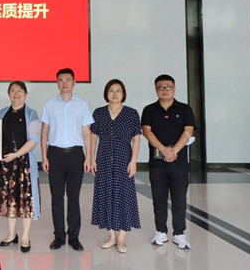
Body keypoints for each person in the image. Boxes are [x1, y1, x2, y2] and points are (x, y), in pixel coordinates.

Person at [41, 68, 94, 251]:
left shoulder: (82, 105)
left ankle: (74, 237)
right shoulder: (49, 104)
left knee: (73, 197)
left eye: (68, 80)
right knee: (56, 197)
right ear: (57, 82)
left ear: (74, 82)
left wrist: (89, 157)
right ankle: (58, 236)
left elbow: (87, 132)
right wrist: (44, 156)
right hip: (54, 155)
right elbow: (44, 131)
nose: (64, 83)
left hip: (76, 155)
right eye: (61, 80)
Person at [142, 74, 195, 250]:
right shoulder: (149, 110)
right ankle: (160, 231)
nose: (164, 90)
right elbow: (147, 131)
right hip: (157, 163)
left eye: (168, 87)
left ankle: (179, 233)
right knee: (159, 198)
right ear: (156, 89)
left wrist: (174, 151)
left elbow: (188, 131)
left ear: (174, 88)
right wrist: (164, 149)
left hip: (179, 163)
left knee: (179, 198)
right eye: (161, 87)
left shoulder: (185, 109)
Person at [90, 79, 141, 253]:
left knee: (123, 195)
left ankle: (122, 238)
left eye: (118, 90)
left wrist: (133, 161)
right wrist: (92, 158)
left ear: (123, 94)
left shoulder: (131, 113)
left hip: (123, 159)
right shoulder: (99, 112)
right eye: (111, 90)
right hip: (103, 159)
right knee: (106, 194)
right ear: (106, 93)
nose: (114, 93)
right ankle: (111, 236)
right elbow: (93, 136)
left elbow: (136, 138)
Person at [0, 81, 41, 254]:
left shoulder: (32, 113)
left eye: (20, 90)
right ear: (8, 94)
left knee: (26, 200)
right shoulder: (2, 113)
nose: (16, 94)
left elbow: (34, 140)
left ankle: (25, 237)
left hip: (24, 164)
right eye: (12, 91)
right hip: (6, 164)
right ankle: (11, 234)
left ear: (25, 94)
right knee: (9, 199)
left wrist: (16, 154)